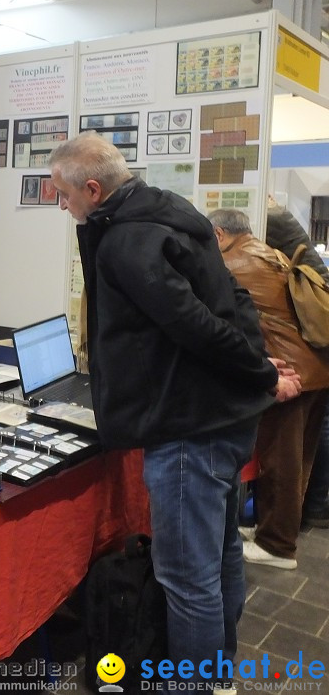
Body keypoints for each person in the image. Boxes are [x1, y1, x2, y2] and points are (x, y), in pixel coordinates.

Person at [48, 132, 299, 683]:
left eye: (65, 197)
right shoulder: (173, 210)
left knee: (188, 580)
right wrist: (255, 366)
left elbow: (197, 326)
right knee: (223, 553)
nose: (63, 208)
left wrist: (258, 370)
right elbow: (232, 299)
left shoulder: (125, 244)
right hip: (224, 416)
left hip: (188, 429)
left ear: (93, 189)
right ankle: (219, 675)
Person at [209, 208, 329, 569]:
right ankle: (271, 531)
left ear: (218, 234)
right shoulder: (269, 253)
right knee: (298, 460)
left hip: (289, 373)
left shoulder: (232, 263)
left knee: (281, 462)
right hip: (314, 368)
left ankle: (278, 545)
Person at [264, 198, 329, 528]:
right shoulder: (278, 215)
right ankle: (314, 505)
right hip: (317, 339)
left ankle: (311, 506)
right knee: (319, 426)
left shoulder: (267, 218)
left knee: (314, 431)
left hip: (315, 341)